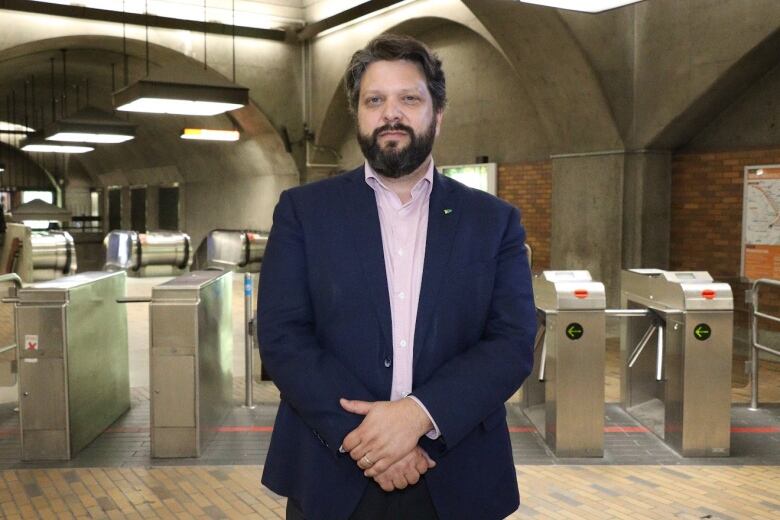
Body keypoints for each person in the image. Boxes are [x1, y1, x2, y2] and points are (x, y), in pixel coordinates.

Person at [258, 33, 536, 520]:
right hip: (332, 470)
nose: (392, 113)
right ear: (359, 115)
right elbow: (283, 337)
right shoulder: (304, 212)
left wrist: (418, 415)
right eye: (375, 100)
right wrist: (370, 439)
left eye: (409, 98)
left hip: (457, 472)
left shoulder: (493, 222)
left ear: (437, 114)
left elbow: (512, 341)